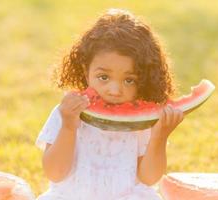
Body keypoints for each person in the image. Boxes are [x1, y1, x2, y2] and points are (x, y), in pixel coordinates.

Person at [35, 8, 184, 200]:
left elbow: (149, 179)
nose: (115, 90)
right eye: (103, 77)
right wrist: (68, 127)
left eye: (129, 80)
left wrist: (160, 137)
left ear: (144, 79)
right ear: (85, 68)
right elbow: (55, 173)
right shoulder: (65, 113)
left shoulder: (140, 124)